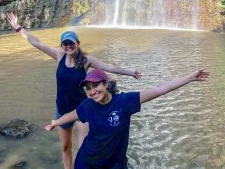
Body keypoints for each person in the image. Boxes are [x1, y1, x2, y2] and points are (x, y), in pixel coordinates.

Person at [7, 13, 141, 169]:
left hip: (82, 109)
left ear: (77, 43)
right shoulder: (59, 55)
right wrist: (18, 27)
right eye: (65, 44)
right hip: (62, 109)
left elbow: (108, 67)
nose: (68, 46)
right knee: (65, 147)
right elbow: (36, 42)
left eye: (71, 43)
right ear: (62, 46)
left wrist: (130, 72)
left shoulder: (86, 60)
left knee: (84, 147)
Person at [45, 68, 209, 169]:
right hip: (87, 163)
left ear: (106, 84)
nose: (92, 91)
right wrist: (55, 122)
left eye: (96, 85)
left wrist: (190, 78)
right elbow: (71, 115)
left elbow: (160, 90)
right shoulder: (87, 105)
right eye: (88, 88)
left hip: (115, 164)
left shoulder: (124, 102)